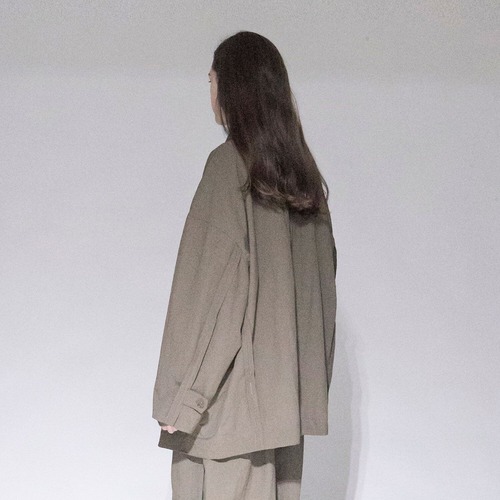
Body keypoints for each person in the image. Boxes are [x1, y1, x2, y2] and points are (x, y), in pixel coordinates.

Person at [153, 31, 337, 500]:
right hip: (281, 417)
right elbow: (321, 302)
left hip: (225, 419)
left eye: (211, 80)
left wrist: (184, 398)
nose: (209, 92)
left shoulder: (228, 168)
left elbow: (210, 295)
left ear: (230, 87)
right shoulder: (305, 182)